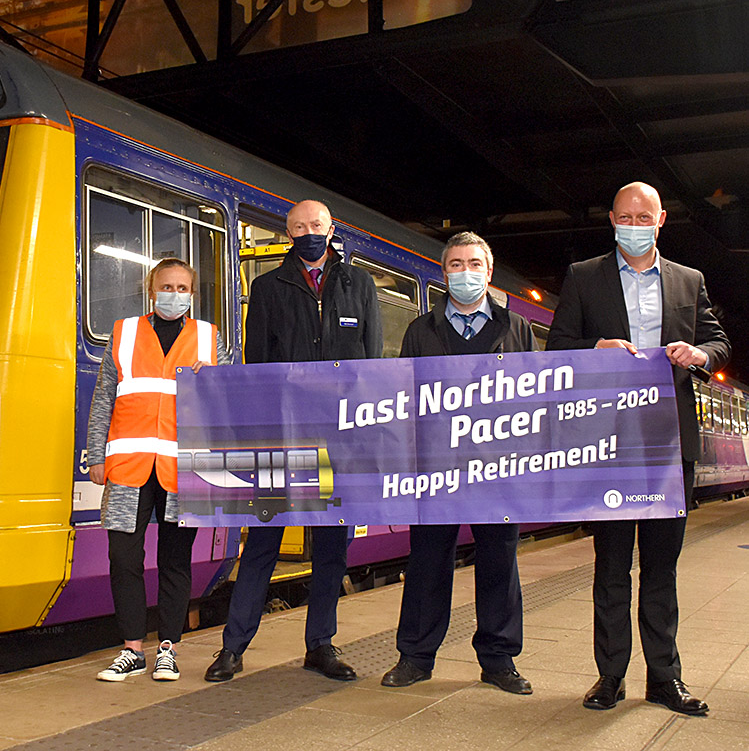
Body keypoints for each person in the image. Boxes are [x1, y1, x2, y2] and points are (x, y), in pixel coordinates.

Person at [547, 182, 730, 715]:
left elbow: (718, 341)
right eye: (624, 215)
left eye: (642, 215)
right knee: (610, 568)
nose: (633, 222)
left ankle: (665, 678)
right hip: (607, 443)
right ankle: (610, 677)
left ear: (661, 220)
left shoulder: (688, 280)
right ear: (611, 219)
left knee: (661, 568)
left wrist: (698, 352)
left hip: (670, 445)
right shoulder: (584, 277)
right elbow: (557, 348)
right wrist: (593, 350)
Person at [204, 199, 382, 683]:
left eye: (316, 225)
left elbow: (371, 368)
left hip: (341, 441)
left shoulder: (358, 285)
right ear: (288, 232)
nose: (308, 233)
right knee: (262, 544)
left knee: (331, 549)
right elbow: (258, 367)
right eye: (299, 227)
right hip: (282, 439)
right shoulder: (267, 288)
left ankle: (320, 645)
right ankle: (233, 648)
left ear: (331, 228)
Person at [381, 232, 534, 695]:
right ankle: (415, 656)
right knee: (428, 562)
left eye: (473, 264)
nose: (464, 273)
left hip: (497, 466)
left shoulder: (516, 328)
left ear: (488, 272)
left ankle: (499, 659)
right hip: (435, 468)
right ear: (443, 273)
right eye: (454, 265)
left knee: (499, 562)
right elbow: (404, 401)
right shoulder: (420, 331)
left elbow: (532, 396)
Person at [87, 257, 226, 682]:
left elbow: (224, 407)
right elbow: (103, 399)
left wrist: (213, 381)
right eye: (168, 286)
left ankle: (168, 647)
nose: (175, 295)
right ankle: (132, 649)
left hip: (183, 468)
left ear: (192, 294)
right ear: (151, 289)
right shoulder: (124, 333)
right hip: (128, 466)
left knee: (175, 559)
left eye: (184, 288)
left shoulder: (208, 339)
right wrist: (95, 455)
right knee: (123, 556)